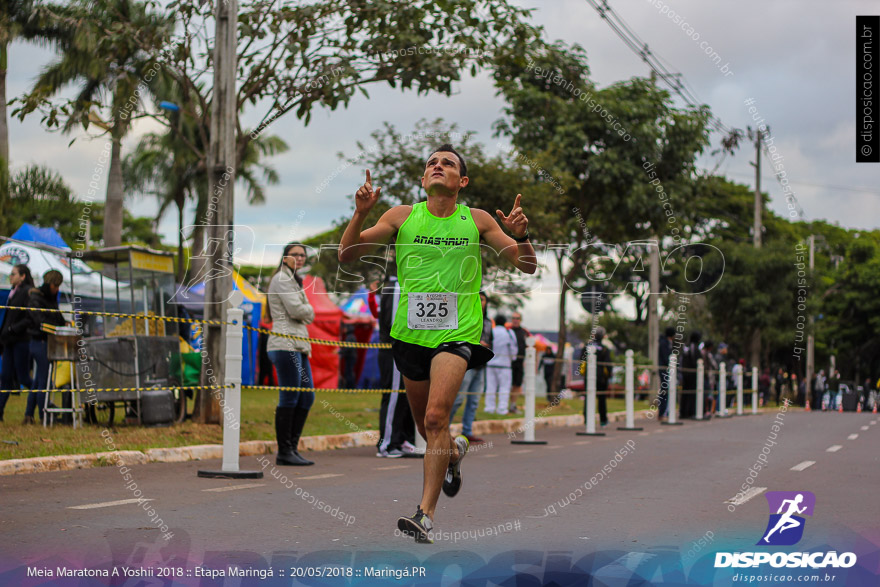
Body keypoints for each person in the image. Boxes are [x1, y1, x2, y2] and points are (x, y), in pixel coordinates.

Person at [338, 144, 537, 543]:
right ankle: (454, 452)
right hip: (410, 334)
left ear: (461, 181)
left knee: (434, 419)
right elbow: (347, 256)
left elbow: (527, 265)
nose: (437, 166)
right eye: (431, 163)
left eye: (447, 163)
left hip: (458, 331)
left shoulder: (476, 220)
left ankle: (424, 515)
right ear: (423, 179)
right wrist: (360, 212)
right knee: (430, 432)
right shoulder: (402, 216)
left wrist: (523, 236)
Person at [267, 243, 316, 466]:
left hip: (298, 343)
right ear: (285, 257)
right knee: (290, 396)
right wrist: (309, 310)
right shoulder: (282, 279)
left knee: (306, 397)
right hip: (284, 343)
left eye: (302, 255)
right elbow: (298, 311)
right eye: (295, 254)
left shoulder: (294, 280)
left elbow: (300, 312)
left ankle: (292, 448)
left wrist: (305, 312)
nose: (299, 258)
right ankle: (284, 451)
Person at [373, 270, 417, 458]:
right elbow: (393, 325)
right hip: (394, 349)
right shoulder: (396, 287)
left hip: (407, 350)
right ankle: (387, 443)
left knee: (406, 396)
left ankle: (401, 438)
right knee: (393, 396)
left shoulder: (408, 284)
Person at [448, 291, 492, 444]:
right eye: (478, 299)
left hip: (481, 365)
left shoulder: (487, 322)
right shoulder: (466, 317)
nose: (481, 302)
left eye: (484, 299)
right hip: (466, 363)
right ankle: (444, 430)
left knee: (474, 400)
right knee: (458, 398)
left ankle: (467, 431)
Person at [24, 269, 66, 424]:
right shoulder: (36, 298)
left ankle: (29, 415)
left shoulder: (50, 298)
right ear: (51, 284)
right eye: (56, 286)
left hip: (44, 343)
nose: (57, 289)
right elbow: (40, 322)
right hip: (39, 343)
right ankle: (44, 416)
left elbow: (57, 317)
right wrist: (57, 326)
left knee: (36, 382)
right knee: (44, 381)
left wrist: (64, 324)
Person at [0, 265, 35, 423]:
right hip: (9, 341)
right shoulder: (12, 292)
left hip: (21, 341)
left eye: (13, 274)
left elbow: (29, 318)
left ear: (22, 276)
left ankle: (42, 402)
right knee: (5, 377)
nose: (10, 276)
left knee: (24, 378)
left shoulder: (28, 292)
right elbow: (8, 317)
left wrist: (12, 328)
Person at [485, 313, 516, 415]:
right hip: (504, 365)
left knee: (490, 387)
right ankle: (502, 409)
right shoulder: (509, 333)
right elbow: (513, 349)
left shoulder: (492, 332)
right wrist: (512, 358)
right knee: (504, 387)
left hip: (491, 364)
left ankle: (489, 408)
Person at [587, 326, 612, 427]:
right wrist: (608, 376)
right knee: (601, 399)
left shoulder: (587, 347)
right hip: (601, 379)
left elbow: (581, 361)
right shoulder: (605, 349)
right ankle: (603, 420)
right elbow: (608, 365)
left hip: (588, 377)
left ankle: (587, 420)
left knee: (588, 397)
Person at [507, 312, 530, 415]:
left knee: (517, 384)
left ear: (520, 320)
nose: (515, 320)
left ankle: (513, 405)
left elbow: (529, 346)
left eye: (517, 318)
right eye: (513, 318)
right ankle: (503, 406)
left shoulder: (524, 332)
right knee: (507, 384)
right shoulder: (507, 331)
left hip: (520, 363)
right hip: (508, 363)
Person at [680, 331, 701, 419]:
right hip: (691, 374)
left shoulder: (686, 346)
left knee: (685, 393)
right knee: (691, 393)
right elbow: (695, 360)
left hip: (685, 373)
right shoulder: (693, 347)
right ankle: (690, 412)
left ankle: (683, 412)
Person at [657, 327, 674, 421]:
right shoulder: (664, 343)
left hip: (668, 370)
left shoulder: (667, 343)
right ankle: (662, 412)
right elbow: (665, 357)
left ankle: (666, 412)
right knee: (664, 390)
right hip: (664, 370)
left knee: (667, 391)